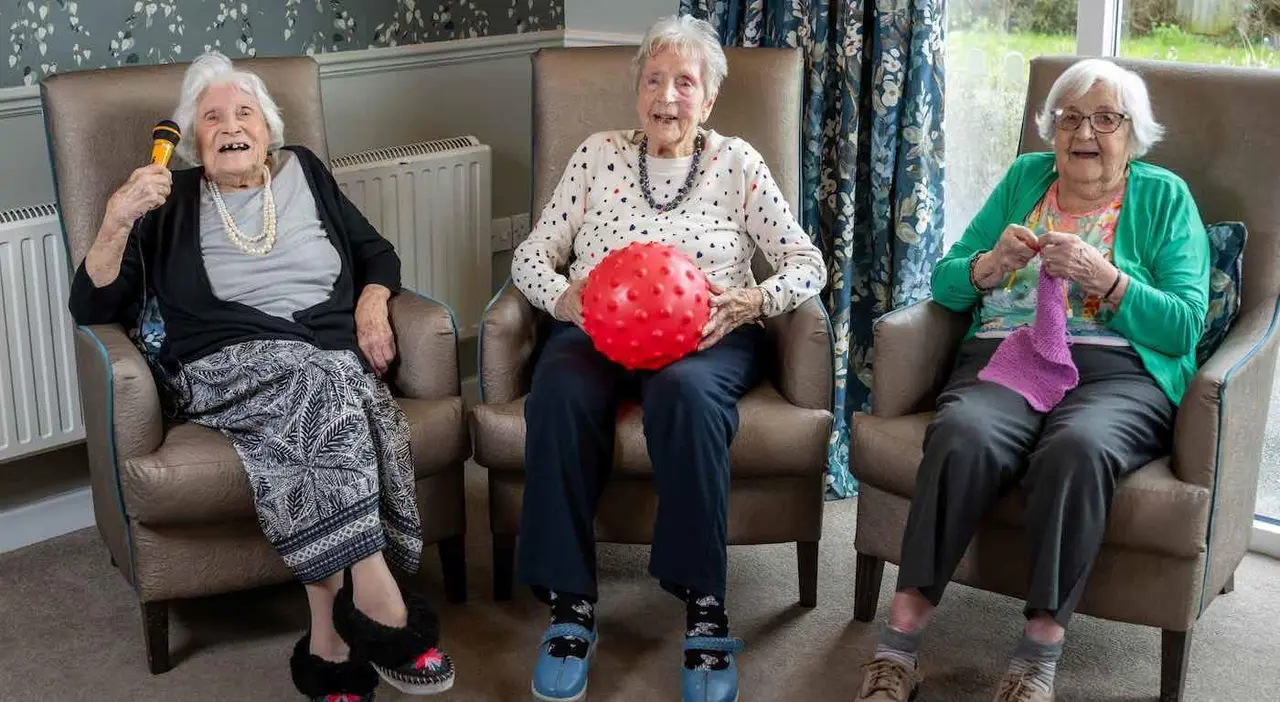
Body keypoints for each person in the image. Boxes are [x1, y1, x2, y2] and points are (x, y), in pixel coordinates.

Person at [68, 51, 455, 702]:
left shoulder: (305, 170)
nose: (229, 125)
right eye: (211, 117)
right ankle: (378, 594)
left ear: (269, 130)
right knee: (330, 382)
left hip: (323, 354)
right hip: (221, 361)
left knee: (321, 389)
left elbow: (376, 254)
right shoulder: (166, 200)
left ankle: (330, 643)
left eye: (243, 112)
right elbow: (93, 307)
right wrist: (115, 219)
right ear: (193, 142)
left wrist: (370, 303)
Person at [853, 58, 1209, 702]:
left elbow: (1186, 324)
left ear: (1134, 134)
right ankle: (898, 645)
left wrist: (1110, 281)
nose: (1086, 132)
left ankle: (1037, 656)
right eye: (1070, 117)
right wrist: (990, 266)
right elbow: (947, 279)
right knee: (961, 432)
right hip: (1009, 354)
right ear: (1051, 131)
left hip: (1118, 372)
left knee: (1077, 450)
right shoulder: (1025, 178)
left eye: (1106, 118)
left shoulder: (1163, 197)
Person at [509, 13, 827, 702]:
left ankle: (705, 608)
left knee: (684, 397)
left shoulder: (737, 162)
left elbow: (808, 263)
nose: (669, 96)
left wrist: (752, 303)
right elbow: (532, 253)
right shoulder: (596, 155)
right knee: (558, 392)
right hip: (597, 329)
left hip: (708, 331)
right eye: (655, 79)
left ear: (708, 98)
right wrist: (564, 300)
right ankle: (570, 608)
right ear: (637, 93)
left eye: (686, 82)